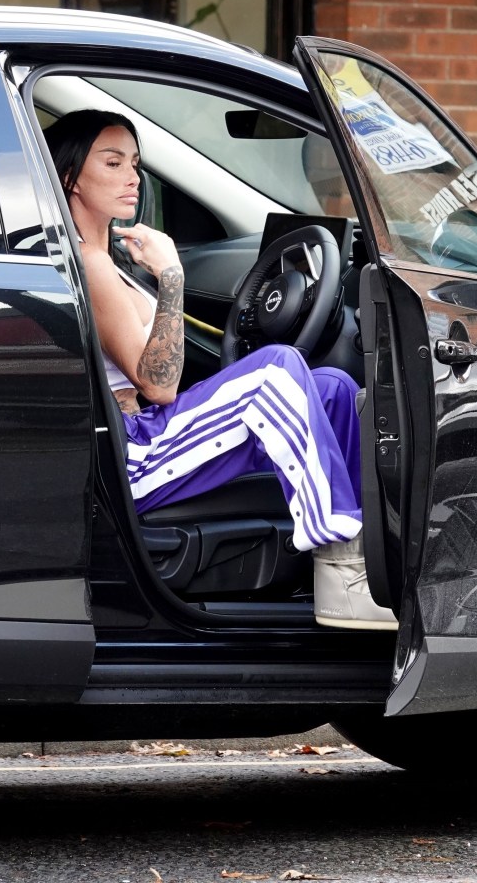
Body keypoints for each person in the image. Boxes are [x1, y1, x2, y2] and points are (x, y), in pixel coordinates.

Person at [44, 109, 396, 630]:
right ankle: (341, 567)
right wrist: (170, 276)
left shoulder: (106, 259)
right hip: (131, 454)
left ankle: (364, 560)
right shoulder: (88, 265)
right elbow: (159, 386)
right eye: (113, 162)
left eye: (135, 163)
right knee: (276, 370)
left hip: (145, 438)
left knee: (332, 387)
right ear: (71, 176)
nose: (132, 177)